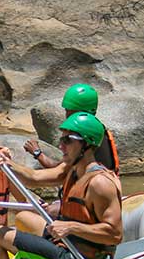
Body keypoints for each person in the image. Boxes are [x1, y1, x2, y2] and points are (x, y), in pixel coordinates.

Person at [0, 112, 123, 259]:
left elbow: (115, 235)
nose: (61, 146)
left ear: (86, 144)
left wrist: (71, 227)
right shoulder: (72, 169)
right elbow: (34, 178)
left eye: (67, 140)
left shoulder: (100, 183)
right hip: (65, 242)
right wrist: (7, 164)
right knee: (24, 218)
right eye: (61, 140)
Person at [16, 83, 120, 232]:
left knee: (40, 213)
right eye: (67, 112)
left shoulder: (87, 141)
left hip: (92, 202)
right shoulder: (93, 135)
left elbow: (56, 173)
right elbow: (61, 170)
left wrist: (38, 154)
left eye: (71, 112)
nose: (67, 117)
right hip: (85, 198)